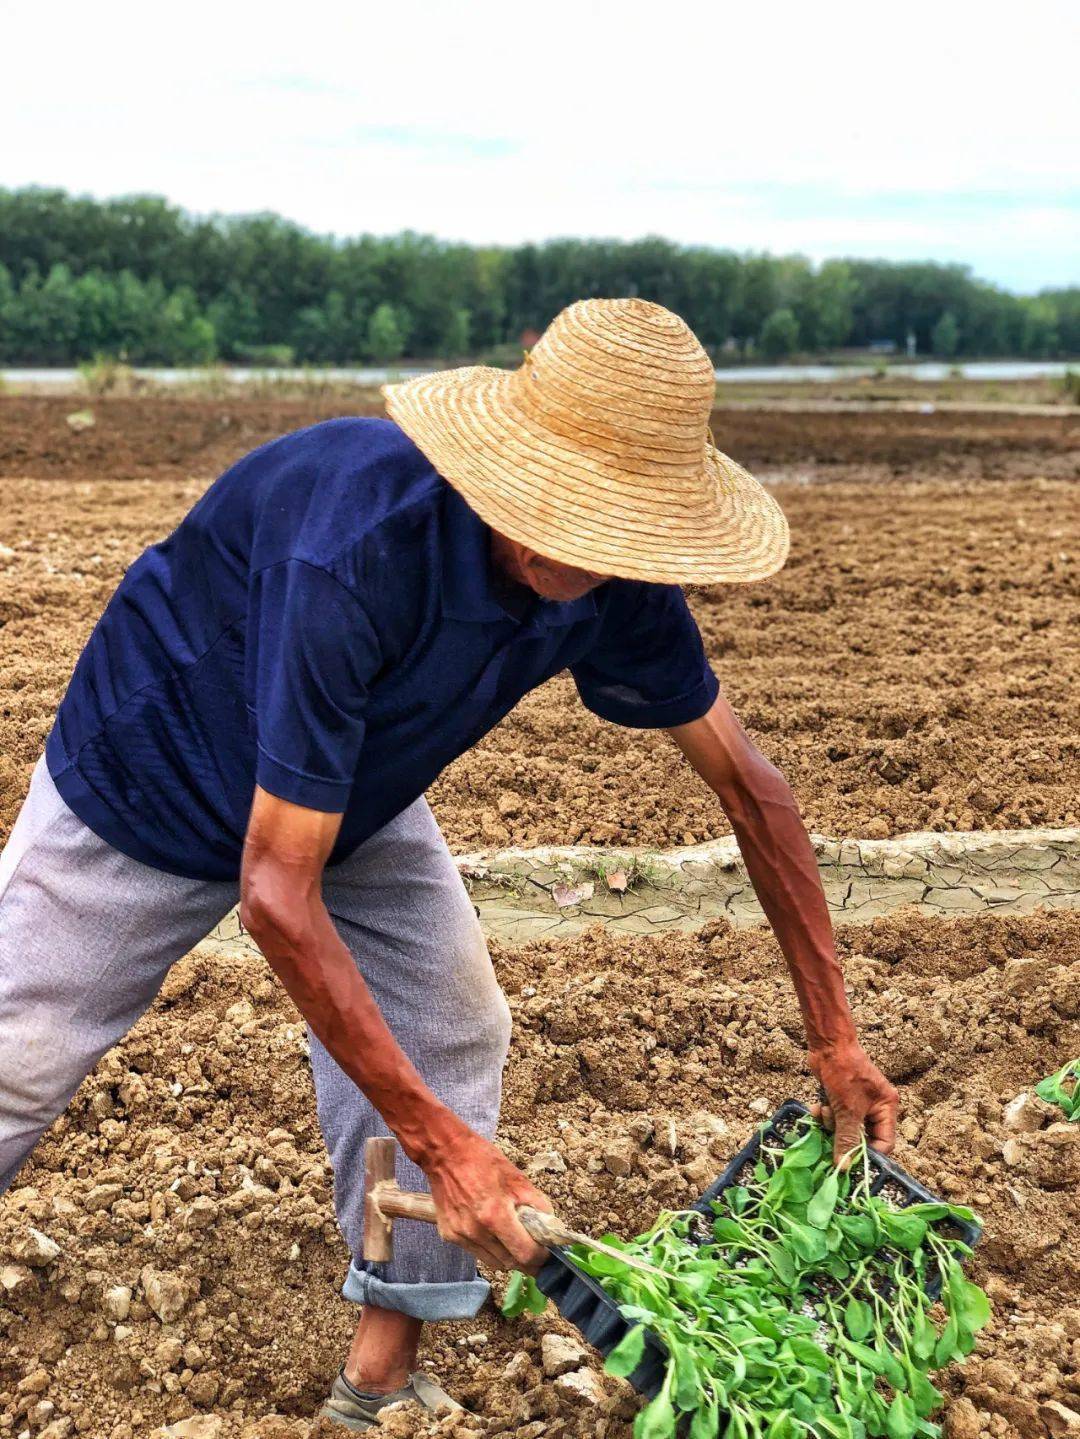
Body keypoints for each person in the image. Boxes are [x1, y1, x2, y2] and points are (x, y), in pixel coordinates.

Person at [0, 299, 898, 1430]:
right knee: (15, 1056)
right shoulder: (360, 545)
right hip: (150, 772)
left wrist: (835, 1035)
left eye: (613, 525)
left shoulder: (617, 580)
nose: (578, 552)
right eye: (563, 512)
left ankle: (377, 1376)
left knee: (450, 1020)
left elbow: (751, 790)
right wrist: (443, 1147)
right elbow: (275, 894)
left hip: (347, 791)